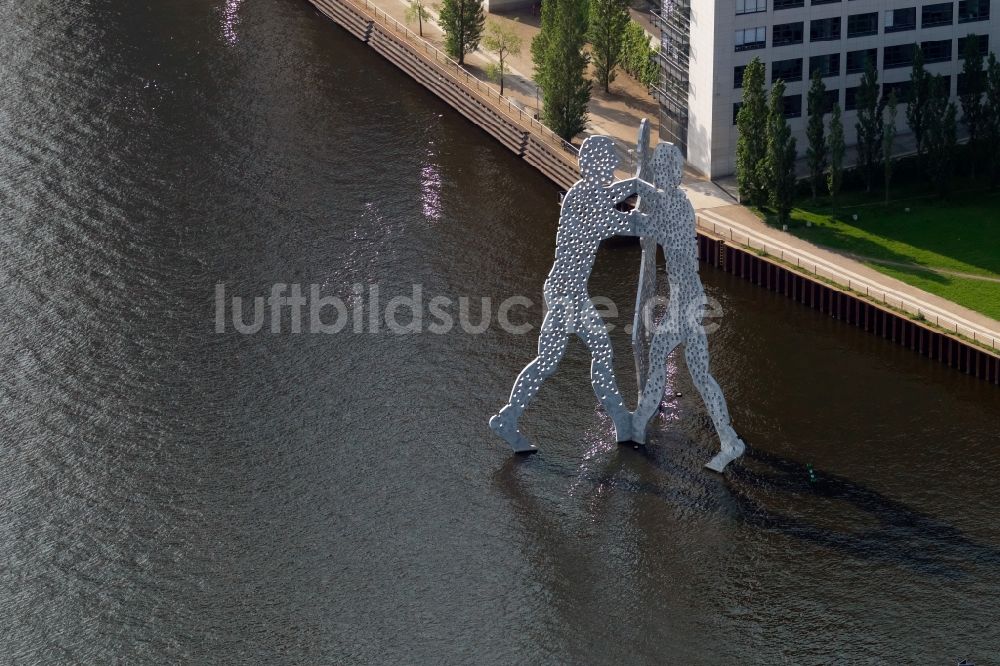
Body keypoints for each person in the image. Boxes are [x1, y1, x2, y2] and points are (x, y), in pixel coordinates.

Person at [490, 136, 648, 452]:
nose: (615, 166)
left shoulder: (588, 193)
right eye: (610, 161)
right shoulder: (581, 198)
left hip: (567, 291)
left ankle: (509, 418)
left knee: (554, 361)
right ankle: (622, 424)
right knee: (588, 356)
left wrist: (639, 183)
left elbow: (613, 194)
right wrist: (643, 214)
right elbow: (617, 223)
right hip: (567, 294)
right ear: (593, 164)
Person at [630, 142, 746, 472]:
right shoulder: (675, 201)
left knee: (694, 373)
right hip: (686, 296)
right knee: (676, 365)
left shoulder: (675, 205)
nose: (661, 174)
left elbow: (645, 229)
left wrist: (636, 191)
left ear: (673, 173)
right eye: (658, 169)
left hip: (687, 302)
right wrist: (641, 188)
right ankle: (639, 425)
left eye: (663, 169)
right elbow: (649, 225)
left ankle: (729, 441)